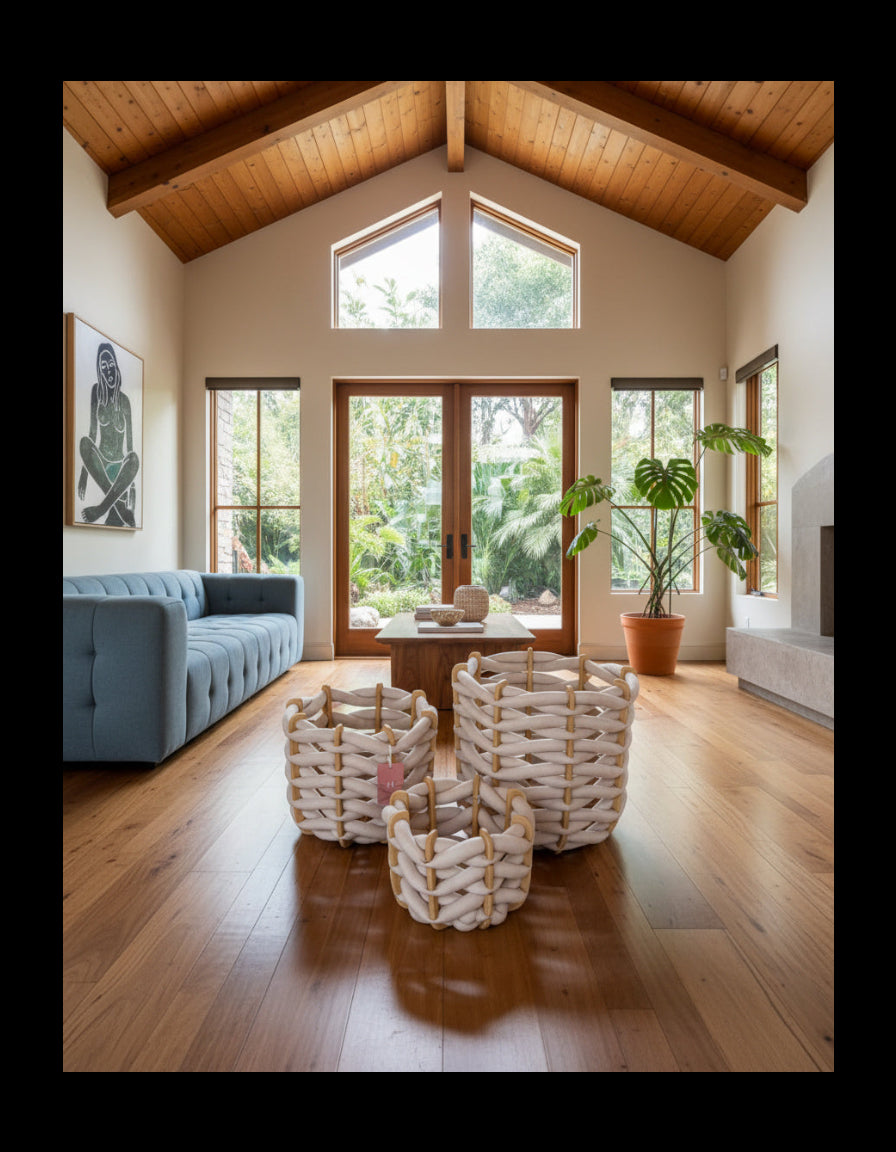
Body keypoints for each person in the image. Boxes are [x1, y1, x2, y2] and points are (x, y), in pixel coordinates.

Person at [77, 342, 140, 527]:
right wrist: (84, 473)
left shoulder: (125, 401)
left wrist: (132, 485)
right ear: (100, 370)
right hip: (101, 464)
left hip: (119, 468)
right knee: (84, 443)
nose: (108, 370)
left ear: (116, 366)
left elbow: (130, 449)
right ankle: (119, 507)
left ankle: (101, 509)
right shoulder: (96, 392)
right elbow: (91, 433)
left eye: (111, 365)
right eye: (103, 367)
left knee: (135, 459)